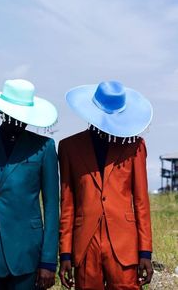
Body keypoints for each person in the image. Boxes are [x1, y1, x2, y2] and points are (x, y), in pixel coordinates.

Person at [0, 79, 59, 290]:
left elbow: (52, 207)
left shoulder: (44, 148)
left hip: (29, 254)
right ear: (2, 111)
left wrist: (49, 260)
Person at [58, 81, 154, 289]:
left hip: (124, 244)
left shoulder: (134, 146)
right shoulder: (69, 147)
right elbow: (67, 203)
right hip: (85, 244)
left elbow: (141, 202)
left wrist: (145, 251)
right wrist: (65, 253)